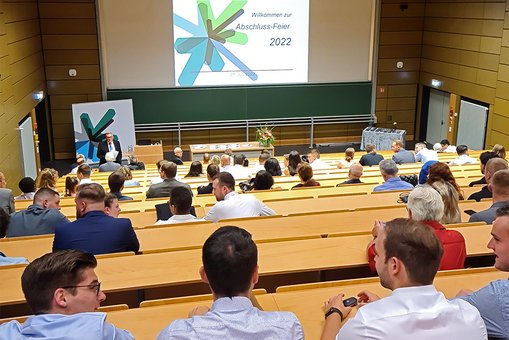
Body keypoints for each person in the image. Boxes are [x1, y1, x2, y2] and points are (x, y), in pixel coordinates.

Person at [321, 218, 487, 340]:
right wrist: (382, 306)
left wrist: (333, 313)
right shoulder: (470, 316)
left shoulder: (366, 325)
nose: (376, 260)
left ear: (394, 265)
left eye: (378, 254)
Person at [157, 226, 303, 339]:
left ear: (203, 275)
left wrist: (197, 323)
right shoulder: (288, 325)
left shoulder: (175, 333)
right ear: (255, 275)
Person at [0, 250, 134, 339]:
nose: (102, 296)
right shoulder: (99, 332)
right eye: (94, 287)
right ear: (62, 298)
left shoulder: (7, 332)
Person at [366, 185, 466, 273]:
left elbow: (374, 263)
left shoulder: (400, 240)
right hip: (452, 292)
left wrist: (378, 236)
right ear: (441, 210)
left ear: (410, 213)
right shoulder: (457, 238)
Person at [456, 206, 509, 339]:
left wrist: (467, 300)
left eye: (497, 239)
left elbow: (448, 312)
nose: (490, 245)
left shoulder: (499, 296)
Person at [53, 183, 140, 255]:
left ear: (83, 206)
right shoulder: (124, 225)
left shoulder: (63, 231)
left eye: (76, 203)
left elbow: (58, 261)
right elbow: (134, 251)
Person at [203, 172, 276, 222]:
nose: (213, 192)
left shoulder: (219, 207)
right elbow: (273, 215)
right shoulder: (252, 198)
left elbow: (200, 224)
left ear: (224, 189)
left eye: (214, 189)